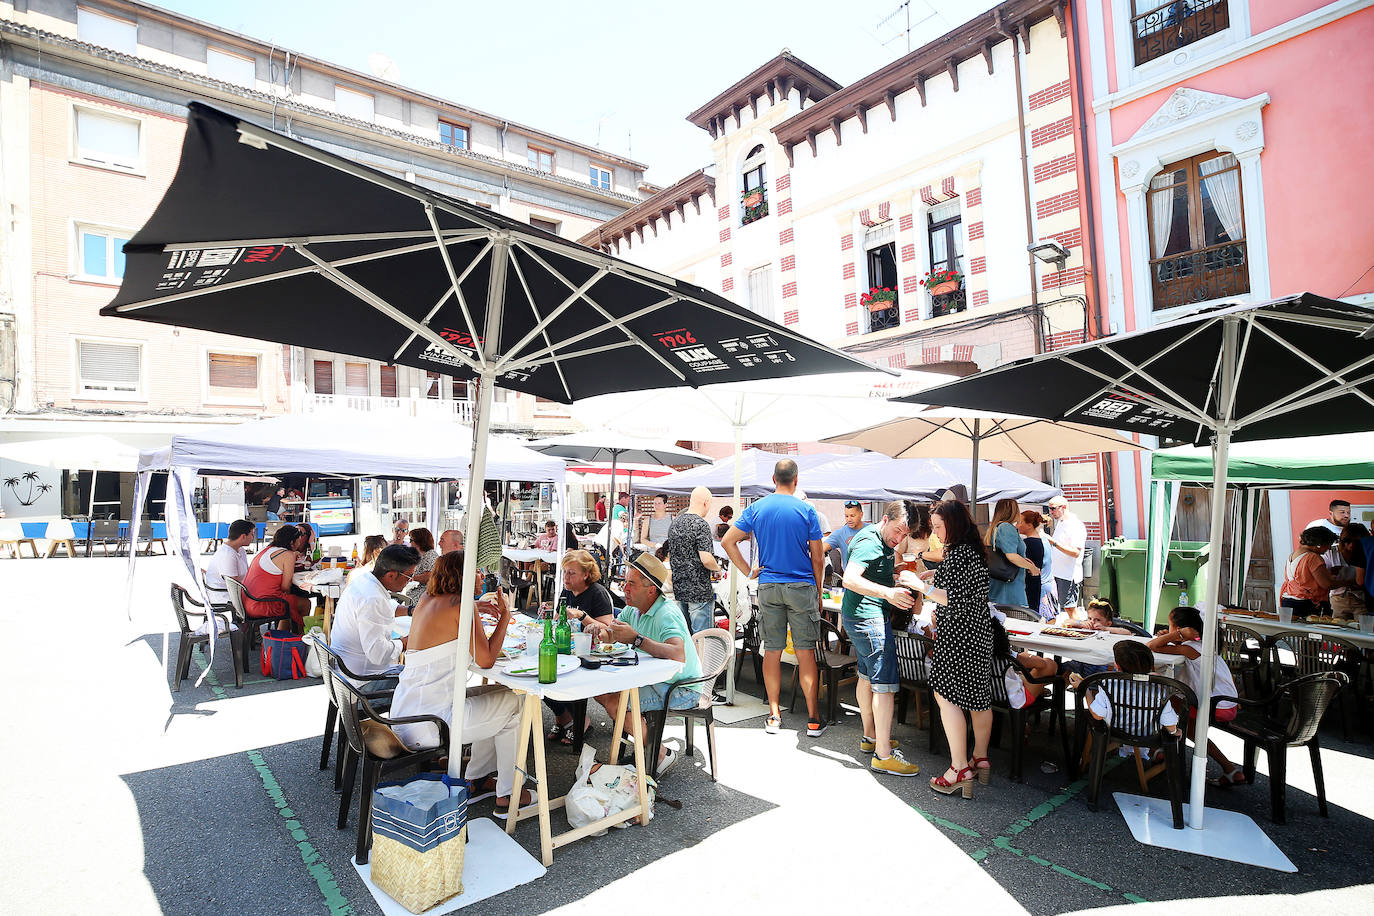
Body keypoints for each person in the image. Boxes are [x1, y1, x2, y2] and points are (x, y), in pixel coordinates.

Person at [389, 552, 532, 817]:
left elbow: (449, 622)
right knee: (515, 704)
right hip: (433, 723)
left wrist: (477, 608)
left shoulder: (428, 599)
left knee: (500, 693)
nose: (481, 576)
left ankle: (476, 778)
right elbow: (487, 660)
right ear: (462, 575)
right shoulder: (461, 606)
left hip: (405, 713)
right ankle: (509, 792)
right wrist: (505, 616)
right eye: (476, 571)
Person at [722, 459, 826, 737]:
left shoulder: (756, 508)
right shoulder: (806, 510)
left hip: (768, 586)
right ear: (796, 479)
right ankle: (813, 719)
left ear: (773, 478)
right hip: (801, 586)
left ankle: (774, 715)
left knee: (772, 650)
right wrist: (818, 590)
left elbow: (727, 541)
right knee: (805, 652)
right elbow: (818, 557)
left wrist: (748, 571)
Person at [901, 500, 993, 798]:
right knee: (979, 696)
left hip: (958, 634)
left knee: (945, 695)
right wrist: (931, 577)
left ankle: (958, 768)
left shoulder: (958, 554)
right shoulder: (974, 551)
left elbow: (952, 597)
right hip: (979, 632)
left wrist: (921, 584)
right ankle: (980, 758)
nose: (937, 534)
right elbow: (965, 589)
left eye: (939, 527)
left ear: (952, 524)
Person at [585, 554, 702, 777]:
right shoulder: (633, 608)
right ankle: (645, 748)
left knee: (616, 703)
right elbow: (613, 634)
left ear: (651, 590)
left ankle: (659, 754)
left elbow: (678, 654)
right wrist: (597, 631)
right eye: (625, 582)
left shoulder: (666, 612)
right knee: (601, 691)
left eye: (632, 584)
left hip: (682, 687)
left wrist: (637, 639)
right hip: (655, 680)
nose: (624, 588)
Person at [840, 500, 921, 776]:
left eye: (905, 535)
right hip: (868, 619)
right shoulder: (870, 541)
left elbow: (869, 572)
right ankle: (883, 755)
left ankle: (871, 736)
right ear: (885, 519)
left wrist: (894, 575)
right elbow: (849, 579)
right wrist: (888, 593)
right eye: (897, 531)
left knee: (866, 676)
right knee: (885, 685)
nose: (899, 540)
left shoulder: (879, 541)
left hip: (858, 616)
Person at [1147, 605, 1244, 786]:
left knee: (1166, 703)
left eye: (1170, 626)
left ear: (1180, 630)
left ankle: (1161, 747)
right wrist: (1173, 637)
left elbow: (1150, 647)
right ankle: (1229, 769)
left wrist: (1174, 637)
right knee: (1170, 702)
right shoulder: (1204, 644)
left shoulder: (1189, 648)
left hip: (1216, 705)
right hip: (1227, 702)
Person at [543, 548, 618, 744]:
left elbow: (609, 630)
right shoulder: (566, 591)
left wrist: (581, 616)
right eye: (565, 572)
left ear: (586, 574)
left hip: (593, 653)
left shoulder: (597, 593)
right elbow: (559, 620)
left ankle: (580, 720)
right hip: (569, 649)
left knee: (557, 674)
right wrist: (550, 614)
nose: (566, 577)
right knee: (543, 671)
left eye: (571, 573)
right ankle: (563, 718)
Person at [1070, 640, 1181, 757]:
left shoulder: (1109, 683)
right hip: (1149, 735)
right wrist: (1175, 732)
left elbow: (1097, 714)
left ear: (1117, 665)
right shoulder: (1159, 687)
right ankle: (1158, 756)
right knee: (1169, 737)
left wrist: (1086, 689)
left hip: (1116, 732)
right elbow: (1169, 723)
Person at [331, 544, 418, 678]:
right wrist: (406, 642)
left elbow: (387, 607)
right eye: (409, 576)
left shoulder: (365, 580)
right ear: (391, 575)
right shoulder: (372, 599)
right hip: (363, 679)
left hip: (348, 671)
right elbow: (378, 654)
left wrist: (411, 610)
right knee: (422, 681)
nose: (410, 581)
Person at [666, 486, 724, 634]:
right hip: (699, 591)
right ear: (706, 503)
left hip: (679, 588)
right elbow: (706, 559)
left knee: (685, 638)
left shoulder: (675, 524)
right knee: (702, 639)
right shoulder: (701, 524)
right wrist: (718, 569)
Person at [241, 524, 312, 628]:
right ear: (292, 542)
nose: (300, 543)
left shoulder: (267, 549)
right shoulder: (288, 555)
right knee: (304, 603)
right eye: (298, 540)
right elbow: (285, 587)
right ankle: (300, 637)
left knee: (288, 602)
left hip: (248, 601)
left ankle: (283, 636)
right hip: (261, 604)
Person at [990, 616, 1059, 711]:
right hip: (1015, 700)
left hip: (989, 695)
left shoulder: (975, 654)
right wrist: (1029, 657)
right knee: (1050, 665)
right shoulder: (1007, 654)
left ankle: (1037, 688)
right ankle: (1039, 689)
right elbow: (1042, 664)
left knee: (1024, 672)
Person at [985, 498, 1038, 609]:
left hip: (998, 585)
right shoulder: (1006, 527)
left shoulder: (995, 527)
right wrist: (1031, 567)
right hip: (1010, 588)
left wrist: (1024, 560)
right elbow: (1011, 555)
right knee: (1018, 620)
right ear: (1013, 511)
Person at [1280, 526, 1339, 617]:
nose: (1329, 548)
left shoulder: (1293, 555)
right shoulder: (1313, 557)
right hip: (1307, 604)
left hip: (1289, 600)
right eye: (1328, 544)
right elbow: (1326, 584)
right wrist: (1347, 583)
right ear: (1319, 544)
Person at [1045, 496, 1087, 620]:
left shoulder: (1075, 525)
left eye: (1053, 509)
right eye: (1049, 508)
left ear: (1063, 507)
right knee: (1060, 607)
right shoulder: (1061, 522)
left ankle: (1079, 631)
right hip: (1057, 572)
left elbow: (1075, 552)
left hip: (1068, 574)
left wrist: (1053, 542)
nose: (1051, 512)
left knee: (1070, 607)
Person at [204, 519, 254, 606]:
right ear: (243, 536)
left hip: (238, 595)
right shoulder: (227, 555)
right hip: (226, 600)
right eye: (252, 534)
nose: (253, 537)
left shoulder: (240, 550)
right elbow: (234, 586)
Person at [1333, 523, 1370, 619]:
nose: (1351, 545)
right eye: (1347, 541)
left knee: (1363, 630)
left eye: (1356, 542)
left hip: (1361, 599)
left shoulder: (1367, 553)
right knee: (1338, 629)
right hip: (1338, 599)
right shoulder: (1332, 553)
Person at [1016, 510, 1046, 613]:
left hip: (1029, 584)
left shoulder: (1029, 543)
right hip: (1035, 582)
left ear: (1029, 525)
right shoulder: (1038, 540)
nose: (1018, 525)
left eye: (1020, 522)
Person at [1306, 499, 1351, 568]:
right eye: (1342, 512)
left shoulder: (1351, 529)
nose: (1346, 515)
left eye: (1348, 512)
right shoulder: (1317, 525)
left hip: (1346, 571)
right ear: (1331, 513)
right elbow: (1306, 549)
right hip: (1322, 571)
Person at [824, 500, 867, 568]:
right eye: (846, 516)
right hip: (851, 576)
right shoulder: (840, 533)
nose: (849, 519)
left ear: (861, 514)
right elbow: (821, 548)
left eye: (852, 516)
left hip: (872, 576)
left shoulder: (872, 529)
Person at [404, 527, 439, 601]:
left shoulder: (430, 555)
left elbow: (429, 577)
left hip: (425, 596)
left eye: (411, 540)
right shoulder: (423, 556)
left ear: (419, 541)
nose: (409, 543)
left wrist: (411, 578)